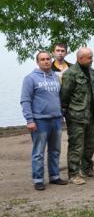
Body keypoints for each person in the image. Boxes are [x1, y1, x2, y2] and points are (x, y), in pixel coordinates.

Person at [20, 51, 67, 190]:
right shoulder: (30, 78)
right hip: (40, 121)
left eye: (48, 59)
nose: (46, 61)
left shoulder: (55, 77)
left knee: (55, 150)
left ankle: (54, 176)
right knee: (38, 152)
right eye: (42, 59)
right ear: (37, 62)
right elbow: (25, 100)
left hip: (56, 120)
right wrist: (30, 120)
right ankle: (38, 179)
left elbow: (59, 97)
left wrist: (61, 113)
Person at [60, 47, 94, 185]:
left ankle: (87, 168)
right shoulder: (71, 74)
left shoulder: (91, 71)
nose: (92, 60)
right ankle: (74, 174)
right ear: (80, 59)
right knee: (76, 146)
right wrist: (66, 112)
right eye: (89, 57)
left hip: (90, 114)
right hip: (76, 115)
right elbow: (64, 96)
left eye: (92, 57)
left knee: (90, 144)